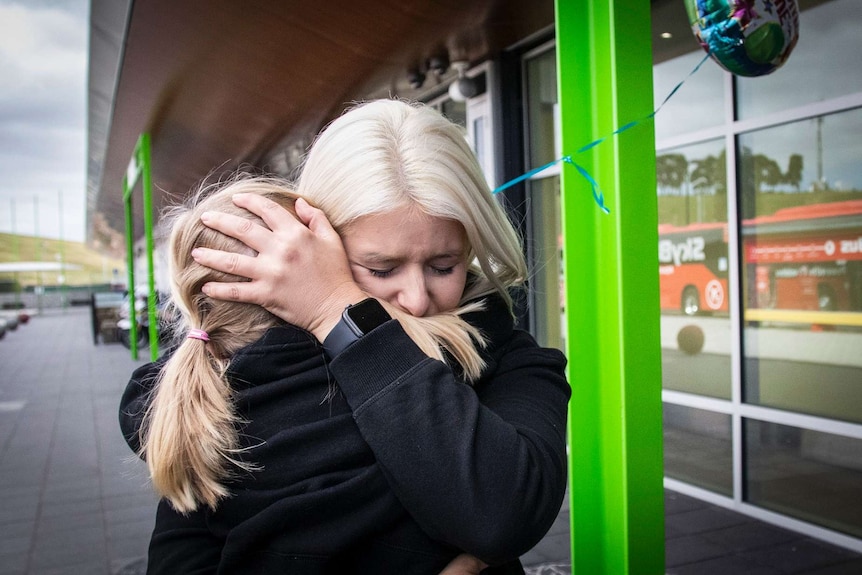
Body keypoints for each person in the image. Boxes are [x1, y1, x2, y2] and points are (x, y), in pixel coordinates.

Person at [120, 99, 570, 574]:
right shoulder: (240, 377)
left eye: (444, 266)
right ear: (314, 246)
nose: (416, 298)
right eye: (379, 268)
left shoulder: (512, 359)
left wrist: (336, 309)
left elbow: (501, 517)